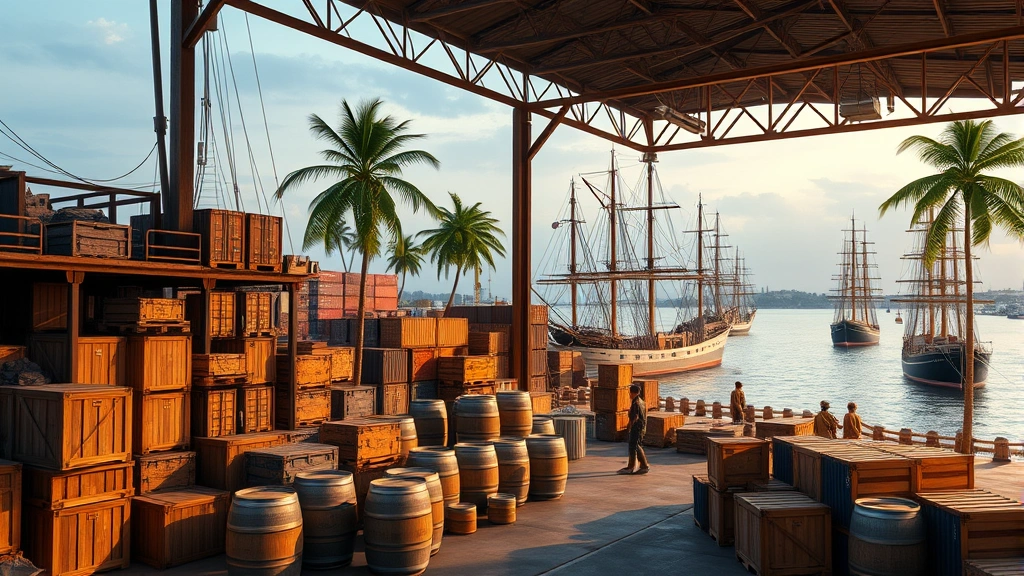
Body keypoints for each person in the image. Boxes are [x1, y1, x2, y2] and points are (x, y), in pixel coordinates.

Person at [618, 384, 650, 475]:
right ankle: (638, 466)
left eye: (630, 393)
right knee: (636, 445)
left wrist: (629, 427)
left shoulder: (635, 403)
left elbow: (635, 417)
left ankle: (637, 466)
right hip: (642, 427)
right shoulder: (642, 402)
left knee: (633, 446)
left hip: (636, 427)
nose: (629, 395)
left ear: (632, 393)